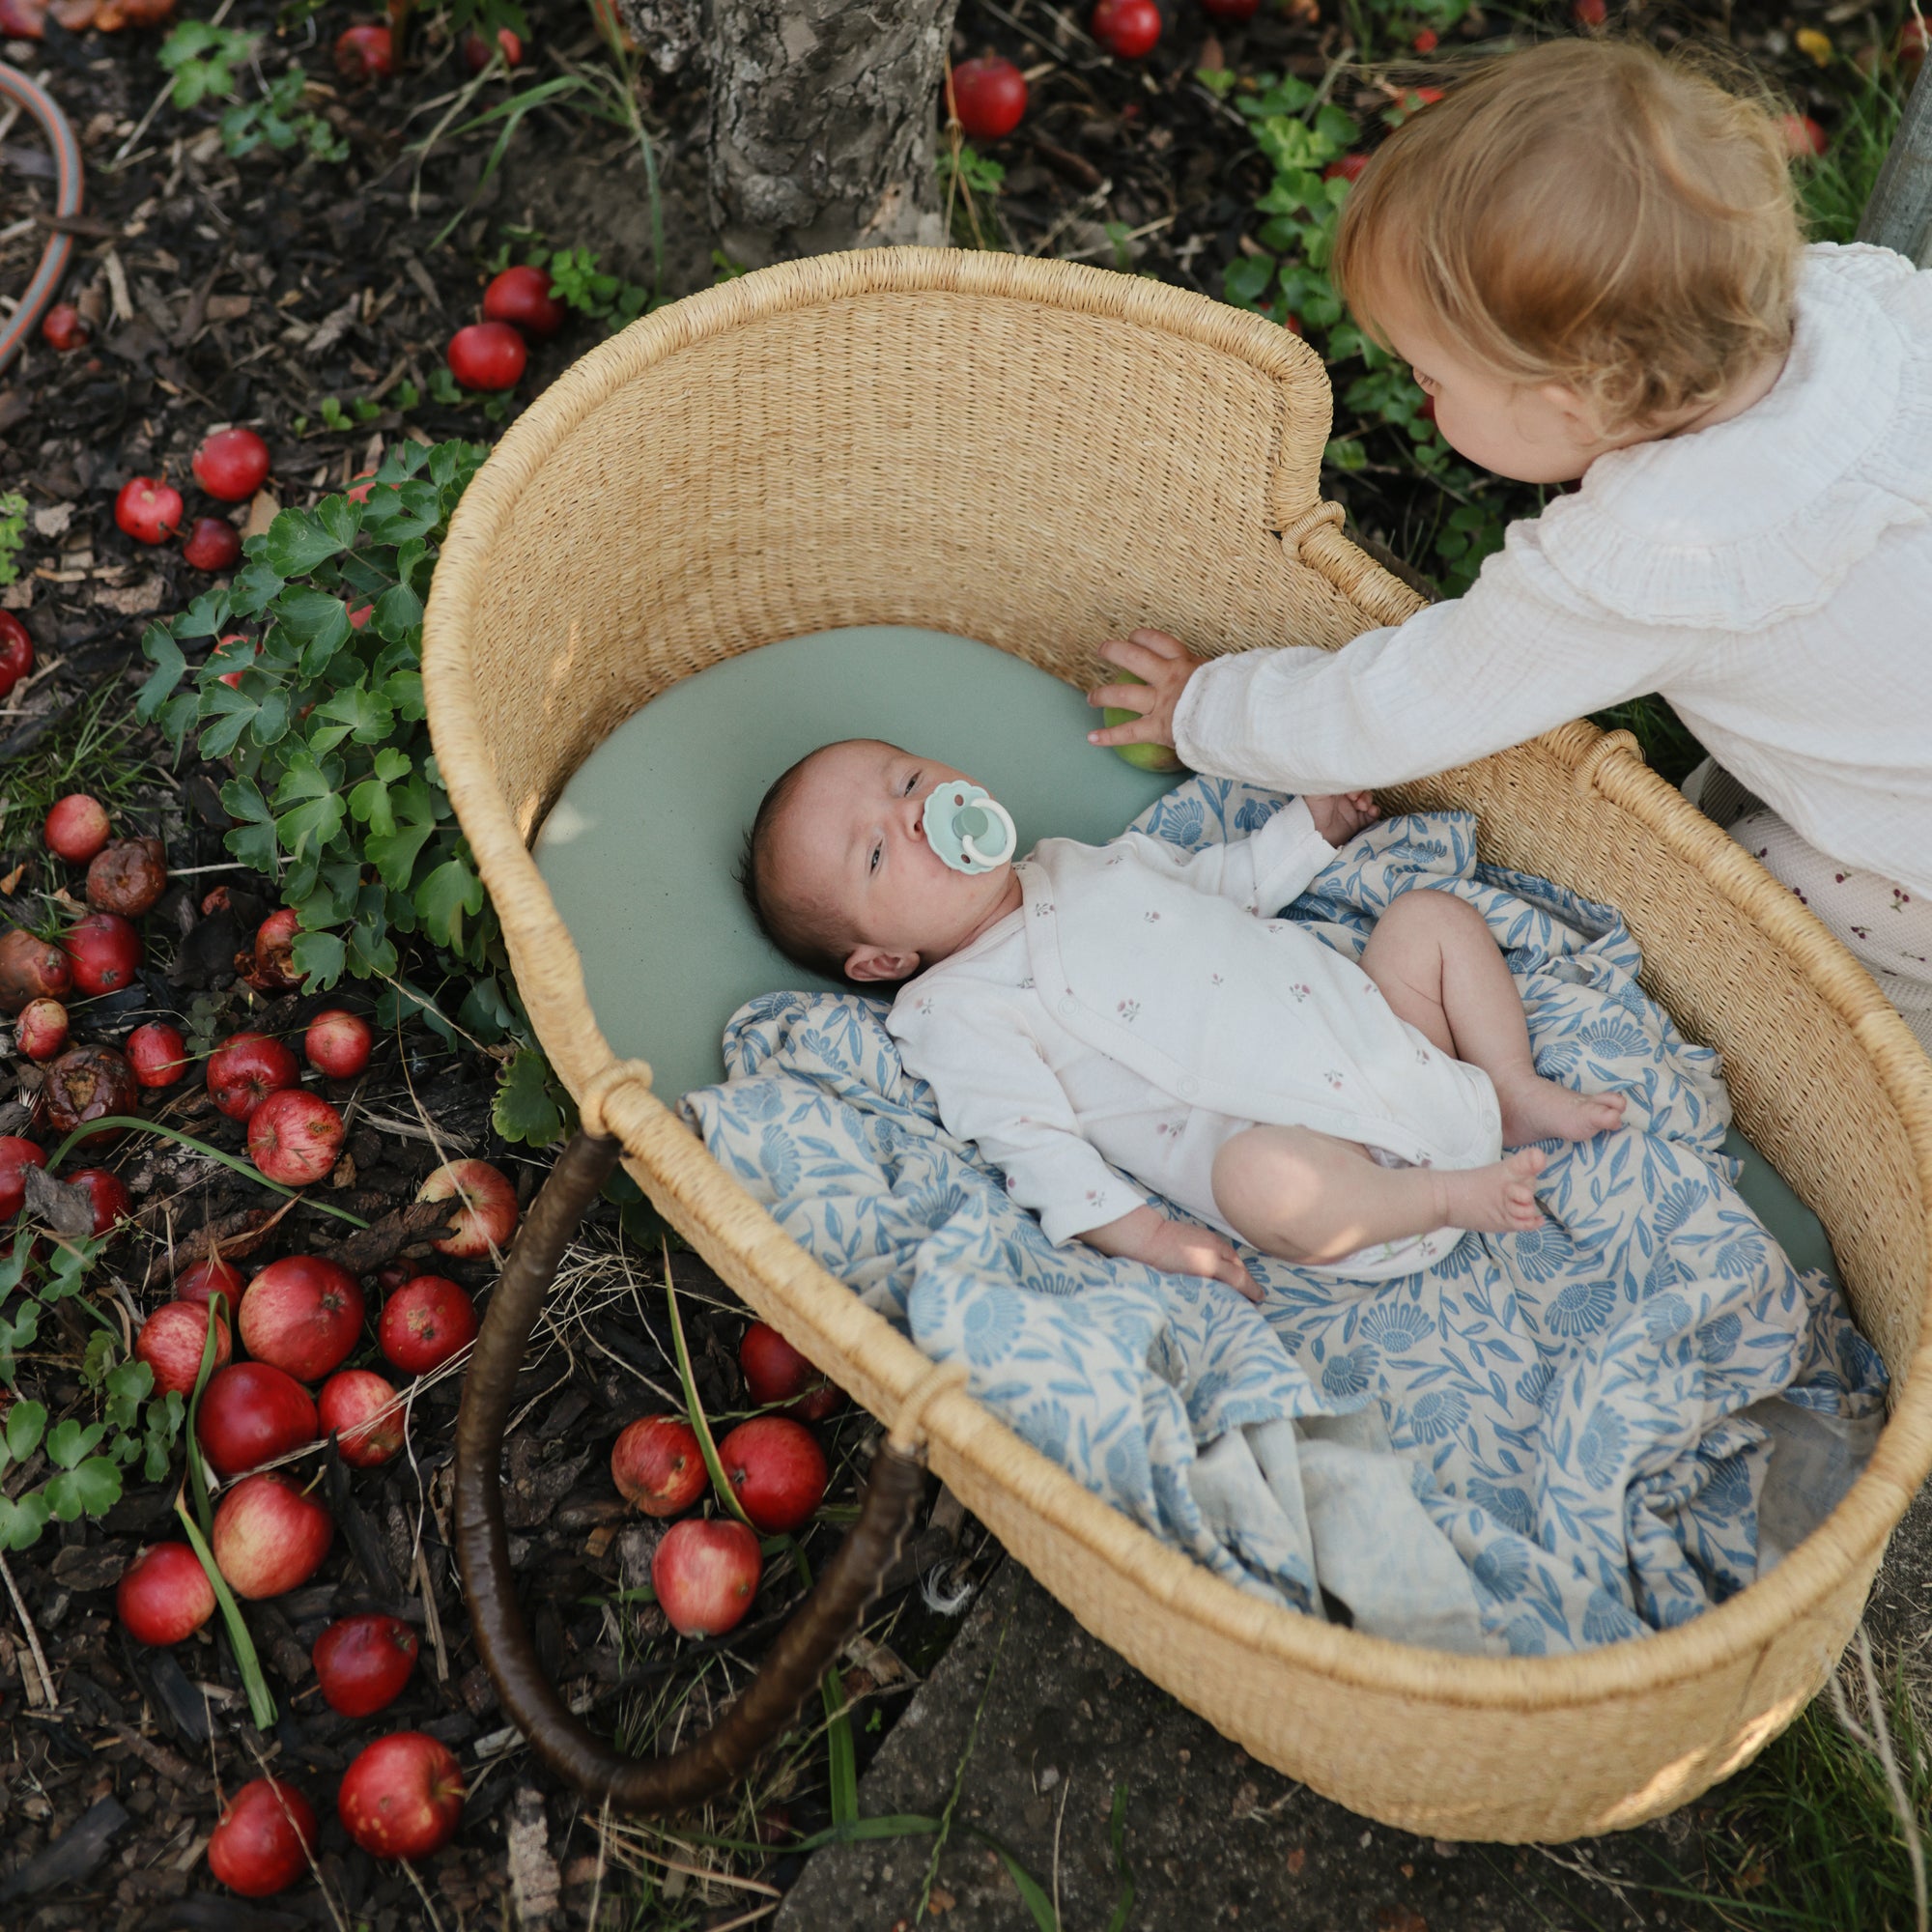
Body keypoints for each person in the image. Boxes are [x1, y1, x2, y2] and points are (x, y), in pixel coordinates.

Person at [1085, 38, 1932, 1051]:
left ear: (1565, 401)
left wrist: (1201, 708)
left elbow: (1394, 707)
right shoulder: (1872, 315)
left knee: (1754, 899)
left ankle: (1893, 1074)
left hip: (1911, 875)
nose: (1413, 393)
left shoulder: (1653, 560)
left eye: (1431, 379)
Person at [739, 739, 1626, 1302]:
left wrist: (1307, 837)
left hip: (1392, 1045)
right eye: (881, 851)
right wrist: (1150, 1237)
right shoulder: (952, 1008)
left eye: (910, 780)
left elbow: (1214, 886)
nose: (918, 817)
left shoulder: (1071, 865)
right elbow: (1029, 1142)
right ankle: (1445, 1196)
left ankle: (1504, 1088)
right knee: (1255, 1178)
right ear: (884, 964)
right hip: (1335, 1172)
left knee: (1429, 922)